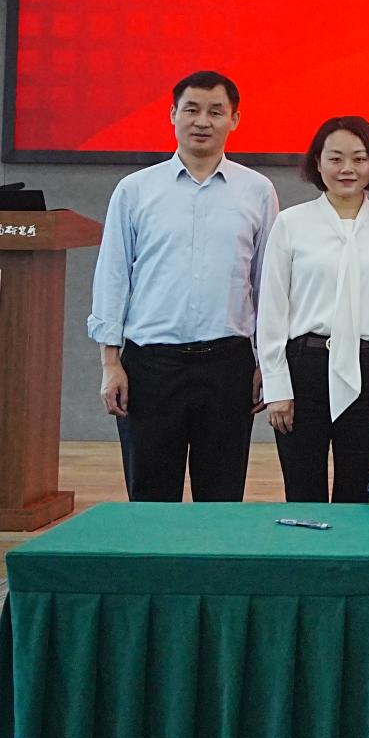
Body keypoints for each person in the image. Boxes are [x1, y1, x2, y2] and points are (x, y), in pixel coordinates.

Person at [87, 70, 279, 502]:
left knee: (221, 498)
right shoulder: (135, 190)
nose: (202, 121)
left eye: (216, 112)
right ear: (173, 115)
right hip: (151, 366)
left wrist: (267, 363)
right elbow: (113, 277)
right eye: (191, 110)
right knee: (150, 500)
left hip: (228, 364)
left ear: (234, 119)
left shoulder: (258, 191)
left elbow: (268, 284)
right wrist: (110, 362)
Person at [256, 115, 369, 503]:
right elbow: (272, 309)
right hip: (304, 368)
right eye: (335, 158)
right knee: (303, 490)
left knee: (359, 493)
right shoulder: (291, 223)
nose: (348, 168)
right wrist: (277, 386)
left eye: (359, 158)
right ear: (317, 162)